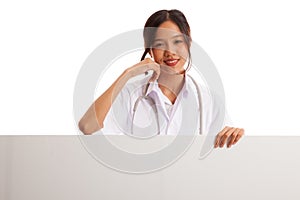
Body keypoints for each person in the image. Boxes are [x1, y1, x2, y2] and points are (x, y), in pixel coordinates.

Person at [78, 9, 244, 148]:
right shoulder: (130, 95)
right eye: (159, 44)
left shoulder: (209, 100)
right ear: (149, 49)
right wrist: (127, 74)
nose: (170, 52)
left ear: (189, 42)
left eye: (177, 41)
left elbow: (223, 158)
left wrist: (236, 137)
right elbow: (87, 126)